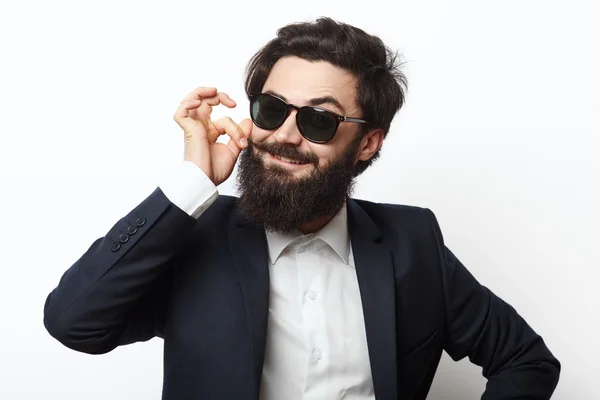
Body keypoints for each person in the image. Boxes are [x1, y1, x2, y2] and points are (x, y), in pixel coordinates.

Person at [43, 17, 560, 400]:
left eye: (318, 121)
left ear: (367, 143)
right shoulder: (194, 236)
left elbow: (526, 359)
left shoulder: (412, 243)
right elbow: (74, 322)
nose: (284, 136)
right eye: (270, 110)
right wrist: (192, 182)